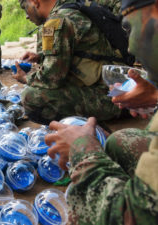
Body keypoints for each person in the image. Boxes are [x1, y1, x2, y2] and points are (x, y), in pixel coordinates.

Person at [45, 0, 158, 223]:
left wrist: (82, 150)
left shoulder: (59, 19)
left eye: (130, 28)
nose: (131, 48)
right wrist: (155, 97)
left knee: (33, 97)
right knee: (119, 141)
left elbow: (131, 217)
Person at [14, 0, 128, 124]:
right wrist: (40, 56)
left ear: (35, 1)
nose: (26, 15)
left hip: (113, 99)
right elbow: (80, 53)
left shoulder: (57, 20)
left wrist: (25, 78)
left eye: (25, 8)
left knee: (32, 97)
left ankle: (82, 125)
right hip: (119, 90)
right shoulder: (72, 9)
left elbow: (51, 79)